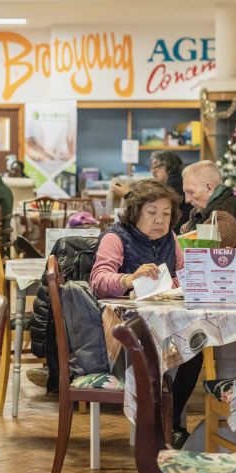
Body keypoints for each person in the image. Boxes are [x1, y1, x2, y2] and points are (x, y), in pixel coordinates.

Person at [89, 179, 198, 447]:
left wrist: (177, 283)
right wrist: (128, 279)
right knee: (157, 350)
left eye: (166, 214)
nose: (160, 221)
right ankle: (152, 425)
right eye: (152, 213)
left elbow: (184, 275)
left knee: (196, 347)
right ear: (136, 211)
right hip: (123, 330)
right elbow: (98, 279)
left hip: (165, 322)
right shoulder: (116, 237)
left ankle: (169, 422)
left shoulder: (171, 239)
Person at [180, 160, 236, 246]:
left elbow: (200, 252)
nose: (187, 200)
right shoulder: (206, 210)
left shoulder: (224, 214)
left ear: (209, 188)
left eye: (191, 192)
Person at [150, 150, 192, 228]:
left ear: (168, 164)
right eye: (152, 167)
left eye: (156, 165)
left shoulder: (176, 183)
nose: (153, 171)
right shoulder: (175, 181)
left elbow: (157, 207)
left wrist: (128, 194)